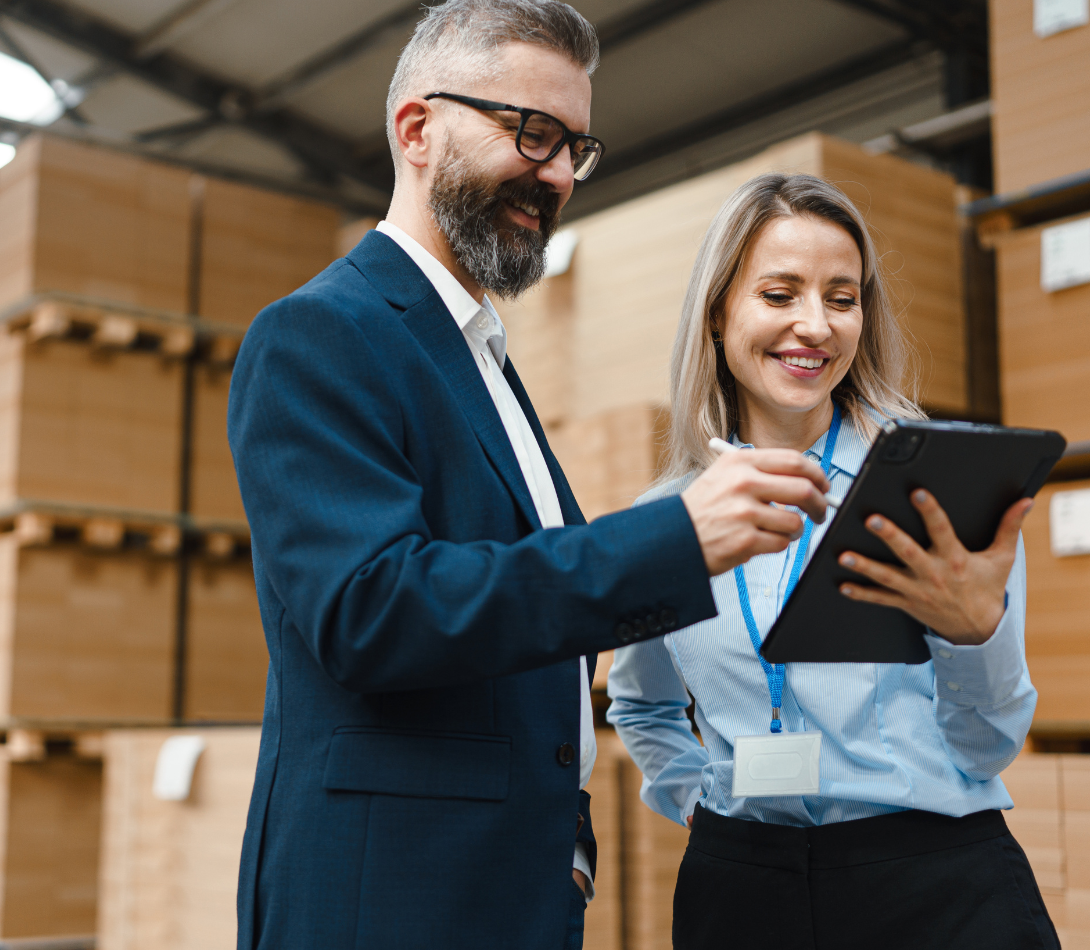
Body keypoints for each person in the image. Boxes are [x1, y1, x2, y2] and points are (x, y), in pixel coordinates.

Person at [227, 4, 835, 949]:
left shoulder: (479, 357)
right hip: (390, 902)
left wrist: (570, 844)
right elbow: (370, 613)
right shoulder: (321, 334)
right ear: (418, 129)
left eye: (574, 149)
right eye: (532, 133)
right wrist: (674, 539)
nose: (555, 174)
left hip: (507, 890)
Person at [607, 173, 1059, 950]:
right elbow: (642, 706)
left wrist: (976, 636)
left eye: (841, 298)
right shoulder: (666, 521)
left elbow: (987, 748)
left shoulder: (940, 489)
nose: (813, 325)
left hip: (935, 884)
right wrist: (696, 797)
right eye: (779, 295)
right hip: (741, 892)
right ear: (719, 315)